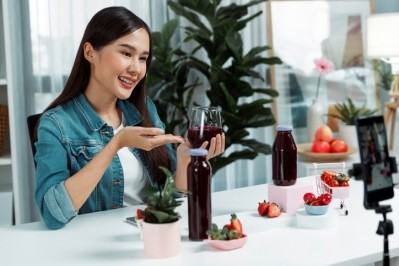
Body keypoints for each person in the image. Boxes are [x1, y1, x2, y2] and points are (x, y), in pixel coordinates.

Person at [34, 6, 225, 230]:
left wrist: (184, 161)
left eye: (142, 58)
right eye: (126, 53)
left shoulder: (143, 110)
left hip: (151, 238)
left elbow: (172, 200)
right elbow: (52, 213)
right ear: (90, 53)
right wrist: (117, 142)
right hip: (95, 248)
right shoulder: (56, 124)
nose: (136, 68)